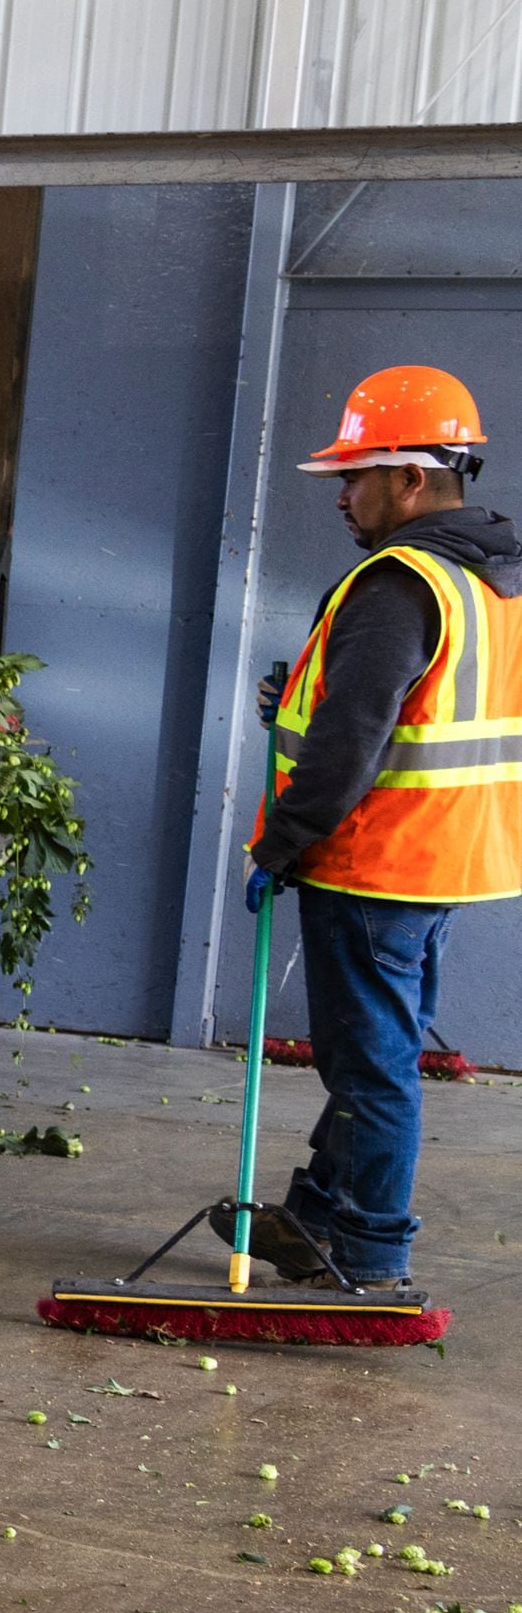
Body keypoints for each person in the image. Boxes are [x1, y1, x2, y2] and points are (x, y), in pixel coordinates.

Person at [235, 364, 522, 1293]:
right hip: (445, 861)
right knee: (375, 1056)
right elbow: (416, 705)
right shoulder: (493, 578)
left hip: (371, 864)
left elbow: (354, 738)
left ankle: (372, 1256)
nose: (343, 496)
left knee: (373, 1071)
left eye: (356, 477)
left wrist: (282, 842)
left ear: (412, 478)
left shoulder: (402, 585)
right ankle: (319, 1216)